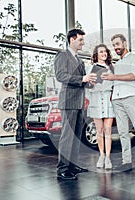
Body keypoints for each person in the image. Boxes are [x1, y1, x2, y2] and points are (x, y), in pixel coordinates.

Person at [101, 34, 135, 175]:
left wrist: (113, 76)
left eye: (118, 44)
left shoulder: (133, 58)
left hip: (131, 97)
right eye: (114, 45)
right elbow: (112, 81)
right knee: (123, 133)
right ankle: (126, 162)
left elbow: (133, 76)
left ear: (125, 43)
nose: (116, 47)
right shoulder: (116, 65)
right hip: (117, 99)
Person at [54, 28, 97, 180]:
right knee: (67, 136)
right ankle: (63, 169)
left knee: (76, 137)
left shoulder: (79, 60)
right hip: (68, 101)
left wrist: (90, 81)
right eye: (80, 40)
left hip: (79, 102)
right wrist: (82, 79)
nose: (82, 43)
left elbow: (83, 82)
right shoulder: (62, 55)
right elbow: (61, 76)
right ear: (72, 39)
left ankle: (72, 165)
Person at [86, 44, 115, 169]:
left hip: (108, 100)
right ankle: (101, 155)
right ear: (96, 55)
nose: (104, 53)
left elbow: (116, 85)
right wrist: (91, 83)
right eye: (101, 52)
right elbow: (87, 87)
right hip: (96, 99)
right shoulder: (90, 68)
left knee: (108, 130)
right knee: (99, 131)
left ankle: (108, 157)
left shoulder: (112, 68)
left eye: (105, 51)